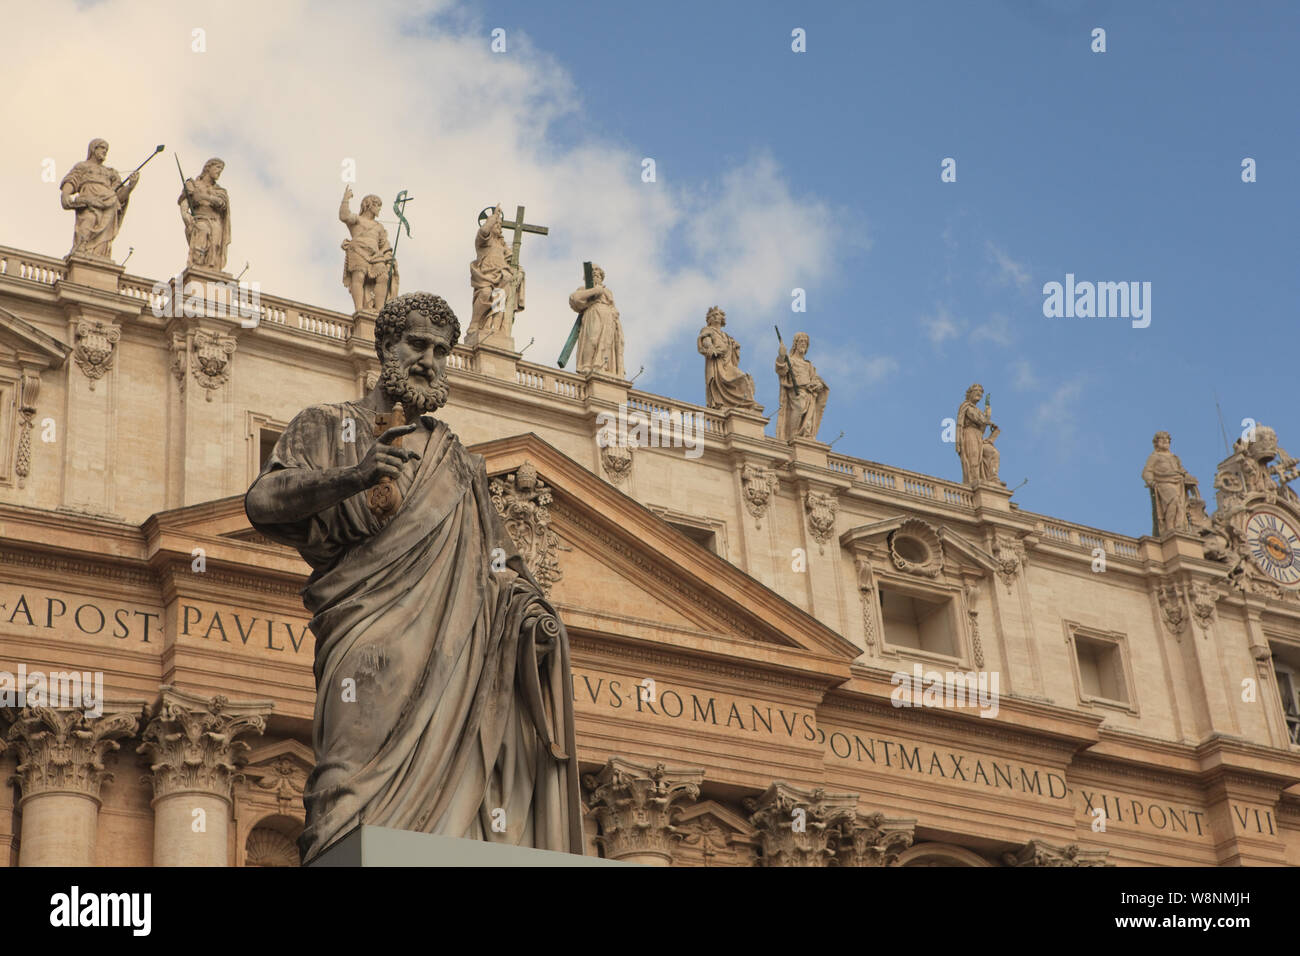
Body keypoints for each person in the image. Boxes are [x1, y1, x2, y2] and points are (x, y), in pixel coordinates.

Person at [245, 291, 582, 864]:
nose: (430, 359)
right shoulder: (328, 425)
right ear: (385, 347)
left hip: (455, 657)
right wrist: (350, 477)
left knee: (451, 826)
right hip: (365, 641)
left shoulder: (461, 464)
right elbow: (262, 501)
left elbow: (501, 565)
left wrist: (532, 616)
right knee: (346, 784)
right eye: (418, 344)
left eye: (442, 350)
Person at [60, 138, 138, 258]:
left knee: (103, 241)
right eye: (102, 148)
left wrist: (130, 186)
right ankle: (81, 254)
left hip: (108, 205)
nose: (105, 151)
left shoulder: (111, 172)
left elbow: (119, 196)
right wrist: (65, 194)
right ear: (93, 149)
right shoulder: (83, 166)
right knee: (87, 224)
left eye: (106, 149)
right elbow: (72, 180)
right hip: (89, 202)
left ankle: (99, 260)